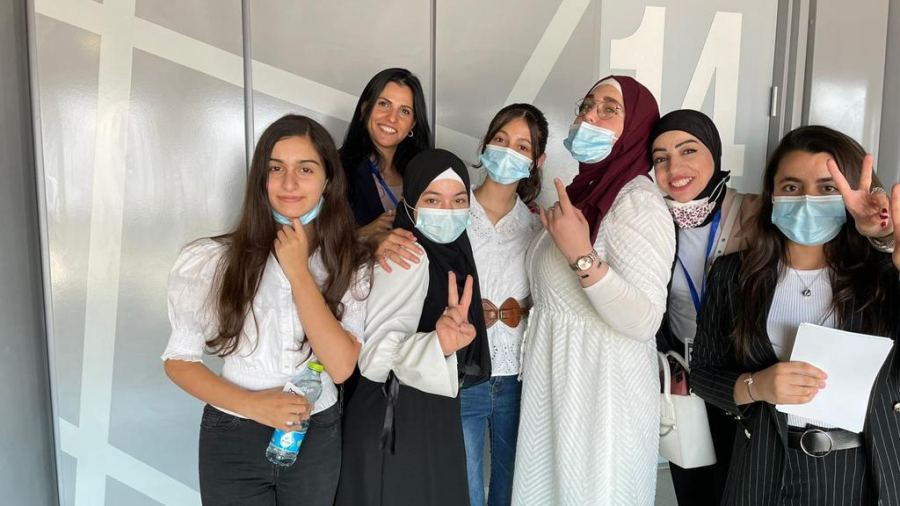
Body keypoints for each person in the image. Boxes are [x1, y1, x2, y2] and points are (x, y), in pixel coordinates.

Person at [162, 115, 369, 505]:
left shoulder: (350, 264)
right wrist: (253, 405)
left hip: (316, 435)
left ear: (328, 180)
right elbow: (179, 361)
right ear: (261, 179)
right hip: (233, 434)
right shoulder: (214, 260)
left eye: (305, 169)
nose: (289, 183)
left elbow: (341, 366)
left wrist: (298, 272)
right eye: (276, 169)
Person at [692, 125, 900, 505]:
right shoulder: (732, 275)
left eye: (827, 188)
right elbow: (703, 372)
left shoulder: (884, 278)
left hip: (859, 473)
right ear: (771, 194)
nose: (807, 200)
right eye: (791, 187)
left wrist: (885, 241)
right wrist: (756, 386)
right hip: (761, 467)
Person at [512, 76, 676, 505]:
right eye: (586, 105)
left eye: (608, 109)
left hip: (601, 397)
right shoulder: (585, 192)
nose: (590, 117)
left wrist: (581, 255)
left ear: (636, 128)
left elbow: (644, 320)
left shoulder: (637, 201)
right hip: (557, 382)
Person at [336, 149, 491, 506]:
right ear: (409, 203)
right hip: (394, 420)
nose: (447, 211)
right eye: (432, 200)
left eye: (459, 200)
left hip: (424, 413)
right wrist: (438, 345)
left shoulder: (455, 254)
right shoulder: (408, 256)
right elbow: (375, 360)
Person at [649, 109, 756, 504]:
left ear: (714, 152)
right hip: (683, 378)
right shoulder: (653, 220)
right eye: (661, 158)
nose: (674, 168)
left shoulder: (756, 214)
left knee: (739, 487)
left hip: (740, 380)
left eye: (688, 150)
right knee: (693, 487)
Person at [461, 103, 546, 506]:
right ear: (485, 145)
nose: (508, 151)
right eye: (501, 139)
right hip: (464, 372)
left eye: (522, 146)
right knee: (465, 487)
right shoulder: (452, 211)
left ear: (536, 161)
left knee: (513, 489)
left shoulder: (538, 227)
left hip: (518, 376)